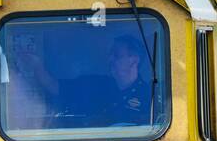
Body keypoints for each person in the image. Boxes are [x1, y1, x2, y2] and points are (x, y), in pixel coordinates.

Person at [9, 31, 158, 128]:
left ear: (134, 60)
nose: (110, 59)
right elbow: (54, 86)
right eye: (110, 54)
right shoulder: (96, 84)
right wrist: (36, 65)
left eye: (116, 55)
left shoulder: (149, 95)